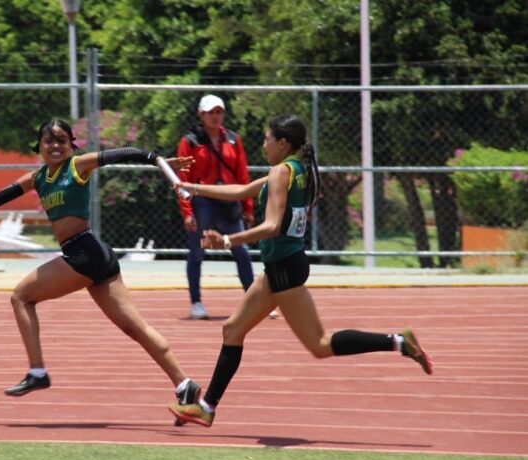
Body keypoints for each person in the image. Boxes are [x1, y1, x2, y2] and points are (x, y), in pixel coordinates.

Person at [169, 115, 433, 428]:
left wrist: (226, 240)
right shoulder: (294, 168)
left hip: (283, 269)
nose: (263, 144)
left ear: (283, 143)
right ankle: (206, 407)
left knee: (320, 344)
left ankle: (399, 341)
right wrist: (192, 188)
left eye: (267, 139)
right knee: (232, 330)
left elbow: (271, 226)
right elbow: (242, 191)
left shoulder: (282, 172)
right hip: (284, 266)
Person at [0, 119, 201, 407]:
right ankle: (184, 384)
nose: (55, 146)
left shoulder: (78, 166)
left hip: (84, 252)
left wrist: (158, 161)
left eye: (62, 140)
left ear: (71, 145)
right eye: (49, 140)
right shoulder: (37, 178)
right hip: (93, 255)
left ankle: (37, 371)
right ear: (38, 145)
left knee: (21, 297)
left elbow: (123, 153)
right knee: (134, 328)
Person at [177, 94, 254, 319]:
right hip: (203, 201)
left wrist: (248, 206)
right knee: (197, 252)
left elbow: (243, 174)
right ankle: (196, 304)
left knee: (241, 251)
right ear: (201, 115)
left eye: (219, 111)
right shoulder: (190, 141)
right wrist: (187, 212)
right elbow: (182, 178)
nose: (215, 116)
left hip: (230, 200)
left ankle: (252, 300)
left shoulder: (233, 139)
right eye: (210, 112)